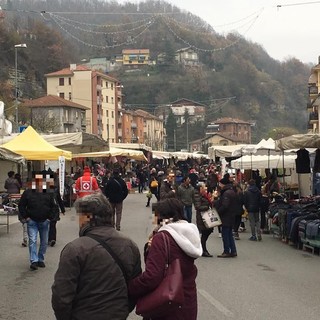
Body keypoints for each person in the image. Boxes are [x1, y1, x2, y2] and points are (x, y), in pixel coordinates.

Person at [52, 193, 142, 320]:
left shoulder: (75, 249)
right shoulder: (129, 245)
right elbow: (135, 287)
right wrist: (123, 310)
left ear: (87, 218)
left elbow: (61, 295)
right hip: (118, 314)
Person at [128, 198, 202, 320]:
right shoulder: (188, 233)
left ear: (163, 217)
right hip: (187, 301)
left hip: (166, 305)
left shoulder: (162, 238)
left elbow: (152, 277)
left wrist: (130, 287)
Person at [18, 173, 56, 270]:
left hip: (44, 221)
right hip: (32, 221)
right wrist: (26, 217)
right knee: (32, 241)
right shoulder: (27, 193)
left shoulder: (48, 193)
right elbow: (21, 205)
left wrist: (49, 218)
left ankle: (40, 259)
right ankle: (34, 261)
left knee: (43, 242)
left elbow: (54, 206)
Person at [215, 176, 238, 258]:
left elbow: (225, 205)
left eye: (220, 183)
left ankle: (226, 251)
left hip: (226, 217)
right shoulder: (231, 191)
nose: (219, 185)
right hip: (231, 216)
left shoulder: (226, 193)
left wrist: (218, 212)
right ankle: (233, 250)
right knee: (229, 234)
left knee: (225, 234)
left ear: (223, 184)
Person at [194, 183, 214, 257]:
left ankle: (203, 249)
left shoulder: (204, 195)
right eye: (203, 187)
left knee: (207, 232)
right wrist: (207, 207)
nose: (205, 188)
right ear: (200, 189)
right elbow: (198, 207)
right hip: (202, 217)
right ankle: (203, 250)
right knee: (205, 233)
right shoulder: (198, 196)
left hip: (207, 216)